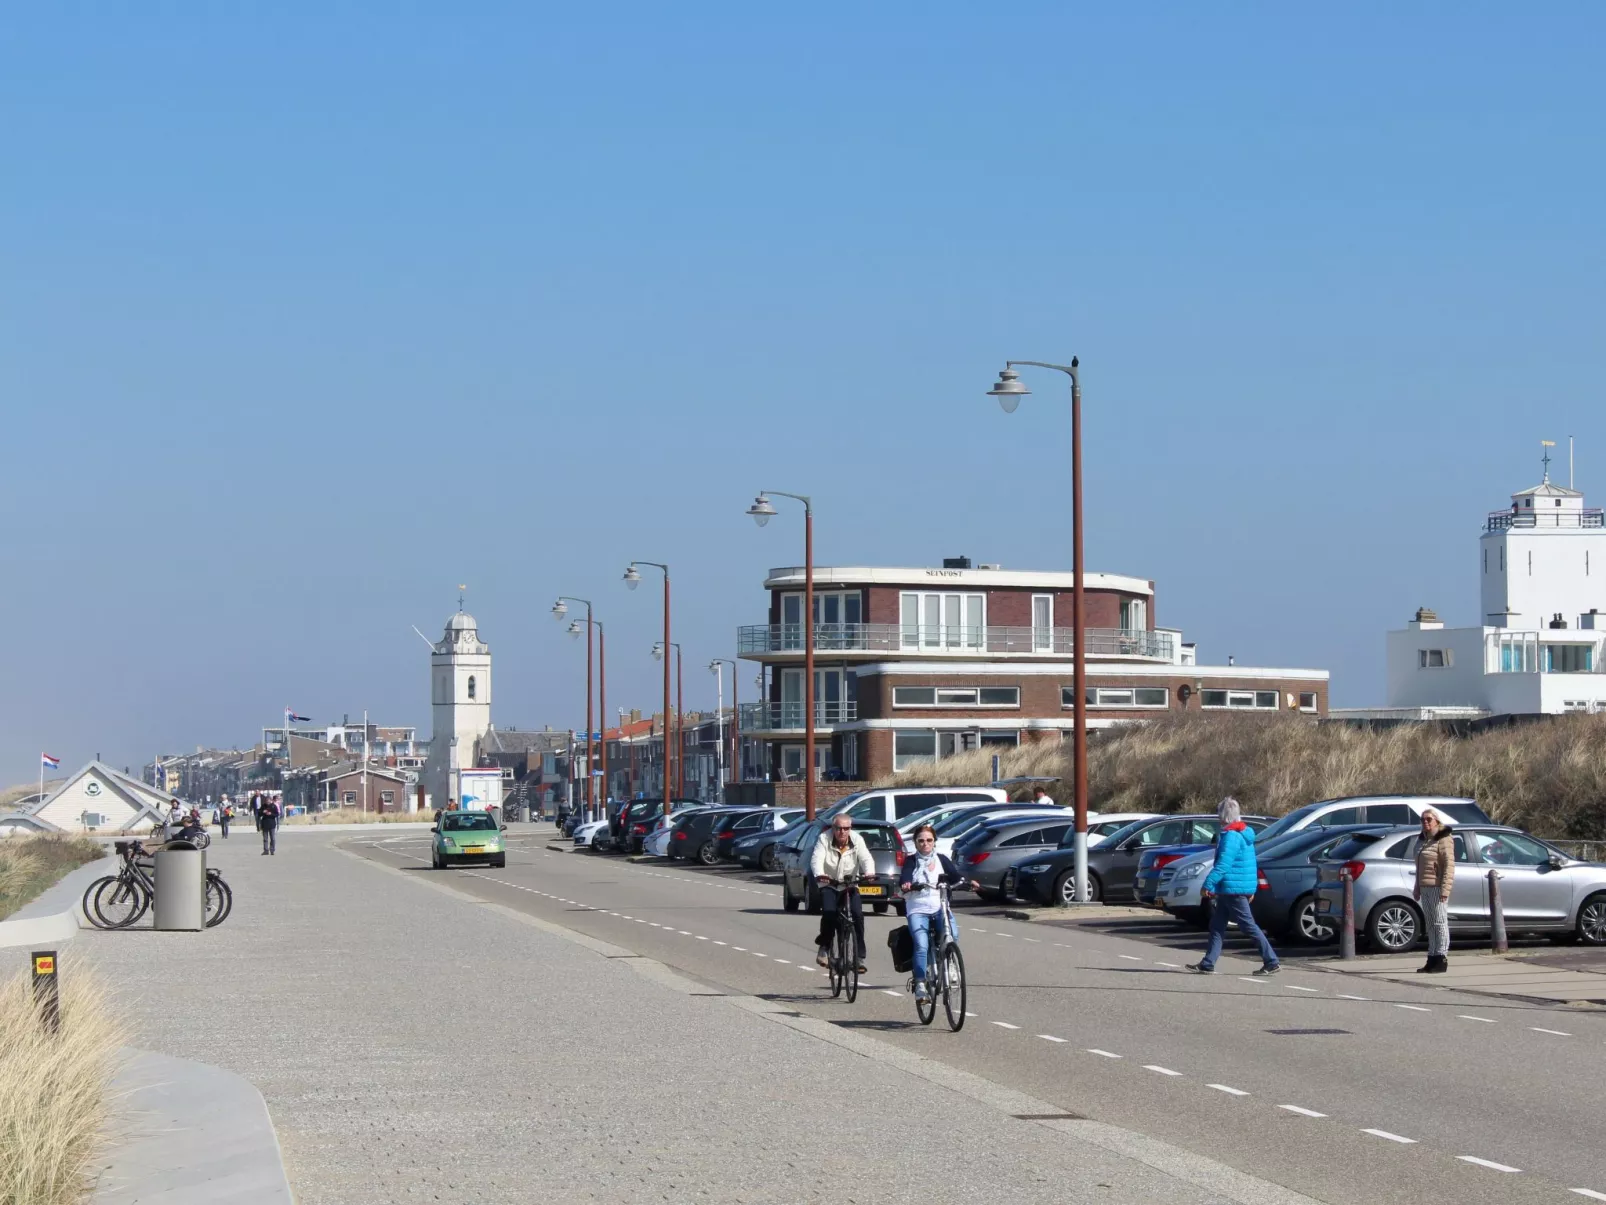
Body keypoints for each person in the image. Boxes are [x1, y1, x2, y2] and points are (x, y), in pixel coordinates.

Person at [1189, 797, 1280, 976]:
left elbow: (1223, 864)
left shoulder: (1231, 836)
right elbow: (1251, 863)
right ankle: (1208, 963)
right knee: (1217, 925)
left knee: (1248, 925)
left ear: (1223, 816)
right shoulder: (1243, 834)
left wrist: (1208, 884)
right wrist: (1251, 888)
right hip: (1231, 888)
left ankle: (1271, 960)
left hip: (1233, 888)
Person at [898, 823, 980, 1000]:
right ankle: (920, 982)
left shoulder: (942, 859)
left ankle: (950, 968)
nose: (925, 844)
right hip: (918, 909)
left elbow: (956, 877)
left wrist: (968, 883)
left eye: (929, 840)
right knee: (921, 944)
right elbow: (905, 876)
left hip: (940, 907)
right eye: (921, 841)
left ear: (934, 841)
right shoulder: (911, 861)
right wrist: (906, 884)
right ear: (915, 842)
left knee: (952, 936)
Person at [809, 814, 875, 973]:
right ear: (833, 828)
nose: (842, 832)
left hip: (849, 884)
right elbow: (816, 859)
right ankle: (824, 946)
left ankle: (859, 957)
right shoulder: (824, 839)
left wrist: (869, 873)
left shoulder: (857, 839)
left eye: (846, 828)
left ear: (850, 829)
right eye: (838, 828)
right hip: (829, 883)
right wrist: (820, 874)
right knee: (829, 914)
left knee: (858, 915)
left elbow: (866, 858)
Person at [1413, 808, 1455, 973]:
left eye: (1429, 819)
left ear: (1436, 821)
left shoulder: (1444, 839)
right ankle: (1431, 957)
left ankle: (1441, 957)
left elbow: (1449, 866)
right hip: (1425, 886)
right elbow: (1419, 867)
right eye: (1423, 819)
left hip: (1437, 886)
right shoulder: (1422, 840)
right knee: (1430, 923)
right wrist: (1417, 887)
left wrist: (1445, 889)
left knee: (1439, 922)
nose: (1425, 822)